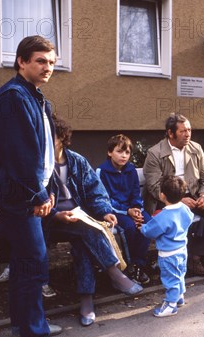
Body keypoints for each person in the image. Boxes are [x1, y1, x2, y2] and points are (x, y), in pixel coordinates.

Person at [0, 35, 69, 337]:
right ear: (22, 62)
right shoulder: (13, 98)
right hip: (15, 192)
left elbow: (43, 152)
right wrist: (37, 194)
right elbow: (19, 155)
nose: (48, 68)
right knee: (33, 260)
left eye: (52, 62)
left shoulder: (36, 97)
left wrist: (50, 186)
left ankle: (22, 325)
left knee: (24, 259)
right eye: (41, 61)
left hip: (28, 188)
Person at [47, 117, 143, 326]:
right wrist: (55, 213)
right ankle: (114, 274)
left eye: (50, 134)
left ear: (62, 137)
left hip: (78, 217)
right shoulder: (39, 164)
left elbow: (95, 192)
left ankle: (86, 300)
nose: (44, 139)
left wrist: (104, 211)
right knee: (88, 231)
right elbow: (36, 198)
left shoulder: (77, 161)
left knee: (83, 241)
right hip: (51, 220)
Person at [143, 113, 204, 276]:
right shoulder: (155, 153)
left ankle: (198, 255)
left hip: (194, 194)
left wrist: (203, 195)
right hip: (168, 200)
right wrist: (179, 200)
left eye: (189, 130)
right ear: (170, 133)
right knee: (180, 214)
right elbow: (154, 186)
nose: (188, 134)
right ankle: (195, 259)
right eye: (183, 131)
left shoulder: (196, 148)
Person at [97, 134, 152, 284]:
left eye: (127, 152)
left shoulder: (131, 169)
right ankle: (128, 265)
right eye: (119, 151)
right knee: (129, 227)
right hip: (114, 211)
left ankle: (138, 264)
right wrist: (126, 211)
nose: (123, 156)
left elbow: (136, 192)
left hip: (131, 209)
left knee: (146, 223)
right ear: (110, 152)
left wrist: (136, 208)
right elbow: (105, 199)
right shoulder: (102, 171)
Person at [141, 175, 194, 317]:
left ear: (162, 195)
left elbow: (149, 231)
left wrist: (142, 227)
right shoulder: (184, 208)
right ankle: (179, 297)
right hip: (182, 249)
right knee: (179, 274)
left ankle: (171, 305)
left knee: (170, 279)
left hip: (168, 254)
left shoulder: (162, 217)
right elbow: (190, 219)